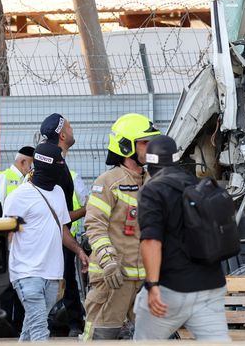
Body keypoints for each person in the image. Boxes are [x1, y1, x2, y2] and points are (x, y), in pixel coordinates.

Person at [133, 135, 229, 341]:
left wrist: (152, 286)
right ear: (177, 159)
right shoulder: (198, 185)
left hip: (172, 290)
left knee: (145, 342)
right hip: (210, 287)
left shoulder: (153, 190)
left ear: (150, 164)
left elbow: (151, 241)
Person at [83, 113, 160, 340]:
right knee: (101, 337)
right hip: (113, 279)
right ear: (127, 146)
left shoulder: (152, 182)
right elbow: (95, 226)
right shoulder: (107, 183)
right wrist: (108, 261)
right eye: (145, 143)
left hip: (144, 282)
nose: (151, 147)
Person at [3, 143, 89, 341]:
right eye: (59, 164)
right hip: (26, 273)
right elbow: (7, 232)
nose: (63, 168)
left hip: (52, 274)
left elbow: (62, 229)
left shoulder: (58, 192)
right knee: (41, 329)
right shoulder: (19, 196)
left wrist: (79, 251)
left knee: (31, 326)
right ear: (47, 166)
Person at [40, 113, 86, 337]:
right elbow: (60, 216)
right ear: (63, 134)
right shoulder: (56, 168)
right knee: (61, 281)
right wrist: (91, 208)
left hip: (59, 234)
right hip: (55, 237)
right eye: (69, 124)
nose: (72, 128)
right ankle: (70, 325)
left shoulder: (57, 164)